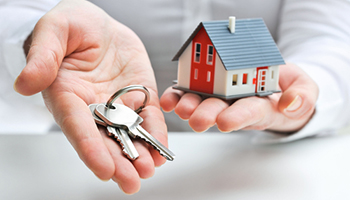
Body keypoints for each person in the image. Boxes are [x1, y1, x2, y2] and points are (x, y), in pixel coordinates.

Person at [1, 0, 349, 194]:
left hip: (262, 172)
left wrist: (309, 87)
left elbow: (330, 38)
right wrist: (37, 35)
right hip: (66, 165)